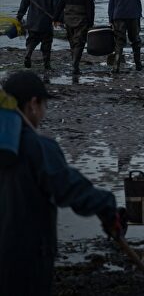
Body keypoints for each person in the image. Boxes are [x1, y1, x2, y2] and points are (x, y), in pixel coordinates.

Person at [1, 72, 121, 295]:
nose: (43, 113)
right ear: (33, 104)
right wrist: (107, 205)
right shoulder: (37, 146)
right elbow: (69, 188)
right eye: (44, 105)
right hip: (27, 254)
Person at [17, 0, 61, 72]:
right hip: (46, 22)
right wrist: (58, 19)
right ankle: (46, 64)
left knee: (32, 39)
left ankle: (28, 53)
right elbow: (57, 6)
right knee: (47, 42)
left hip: (32, 21)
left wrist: (20, 15)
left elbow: (24, 2)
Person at [56, 0, 95, 73]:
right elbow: (90, 10)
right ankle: (75, 64)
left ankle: (74, 62)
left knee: (72, 42)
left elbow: (60, 6)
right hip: (81, 22)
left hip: (68, 21)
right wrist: (90, 23)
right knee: (79, 43)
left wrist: (56, 19)